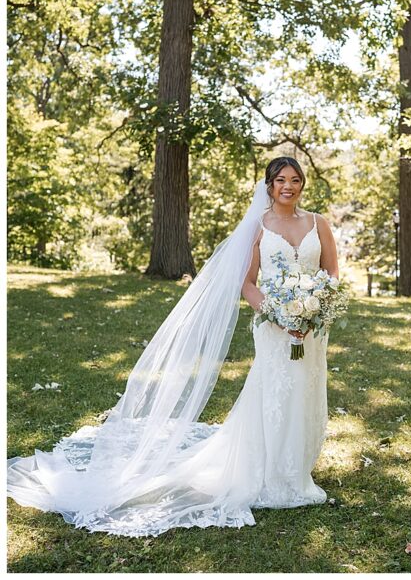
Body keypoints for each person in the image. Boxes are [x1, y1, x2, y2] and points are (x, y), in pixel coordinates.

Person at [8, 156, 341, 535]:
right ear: (268, 185)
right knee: (276, 391)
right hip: (274, 324)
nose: (288, 186)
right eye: (280, 179)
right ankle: (272, 472)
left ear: (302, 184)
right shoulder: (258, 227)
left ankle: (297, 467)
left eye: (295, 179)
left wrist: (316, 307)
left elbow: (330, 272)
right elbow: (248, 282)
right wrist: (279, 314)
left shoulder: (319, 223)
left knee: (307, 388)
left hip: (313, 327)